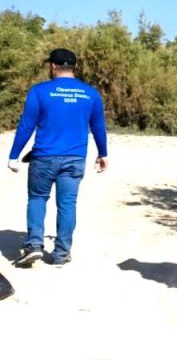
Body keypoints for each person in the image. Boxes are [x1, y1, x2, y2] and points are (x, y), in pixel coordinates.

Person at [8, 49, 108, 267]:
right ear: (74, 67)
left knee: (37, 198)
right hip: (75, 158)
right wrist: (103, 153)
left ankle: (34, 245)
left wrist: (14, 155)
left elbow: (26, 125)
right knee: (67, 204)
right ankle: (62, 253)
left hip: (44, 156)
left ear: (53, 66)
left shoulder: (40, 91)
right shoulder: (90, 93)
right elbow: (98, 127)